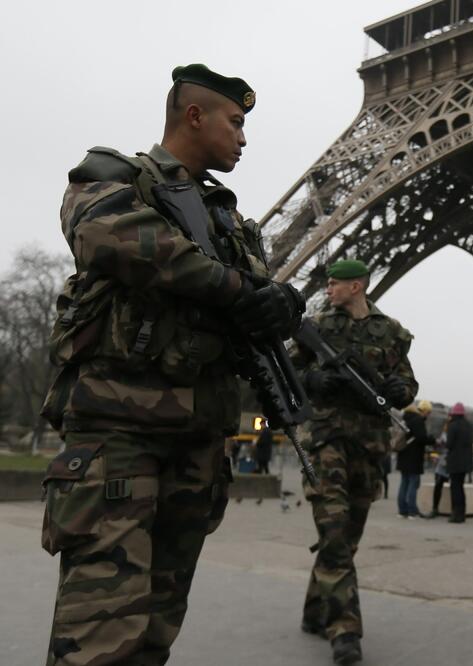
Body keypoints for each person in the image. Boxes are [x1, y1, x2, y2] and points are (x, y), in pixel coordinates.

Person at [37, 64, 304, 665]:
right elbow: (114, 238)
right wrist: (238, 290)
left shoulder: (228, 220)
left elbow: (253, 296)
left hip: (197, 445)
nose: (243, 137)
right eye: (235, 122)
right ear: (194, 115)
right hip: (119, 439)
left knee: (155, 633)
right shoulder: (113, 178)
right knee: (99, 638)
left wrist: (281, 303)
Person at [294, 259, 418, 665]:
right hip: (325, 438)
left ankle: (317, 609)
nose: (328, 289)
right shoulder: (315, 327)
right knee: (333, 533)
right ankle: (344, 629)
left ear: (357, 286)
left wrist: (400, 389)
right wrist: (312, 380)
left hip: (368, 445)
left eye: (335, 283)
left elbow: (406, 381)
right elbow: (285, 371)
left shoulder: (392, 333)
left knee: (347, 538)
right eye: (327, 284)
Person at [397, 400, 433, 518]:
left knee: (404, 483)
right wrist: (432, 440)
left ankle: (402, 510)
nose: (428, 416)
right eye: (428, 413)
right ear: (424, 411)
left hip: (403, 455)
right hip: (414, 457)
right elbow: (421, 438)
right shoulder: (418, 421)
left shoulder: (406, 419)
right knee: (413, 484)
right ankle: (412, 510)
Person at [445, 402, 473, 523]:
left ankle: (455, 514)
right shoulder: (468, 426)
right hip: (465, 462)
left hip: (454, 461)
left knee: (455, 488)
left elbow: (449, 444)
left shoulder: (452, 426)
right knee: (460, 487)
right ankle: (462, 513)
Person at [426, 425, 450, 518]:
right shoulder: (444, 435)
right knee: (438, 486)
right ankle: (435, 508)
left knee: (439, 486)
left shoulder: (446, 435)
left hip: (446, 463)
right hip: (443, 463)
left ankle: (435, 509)